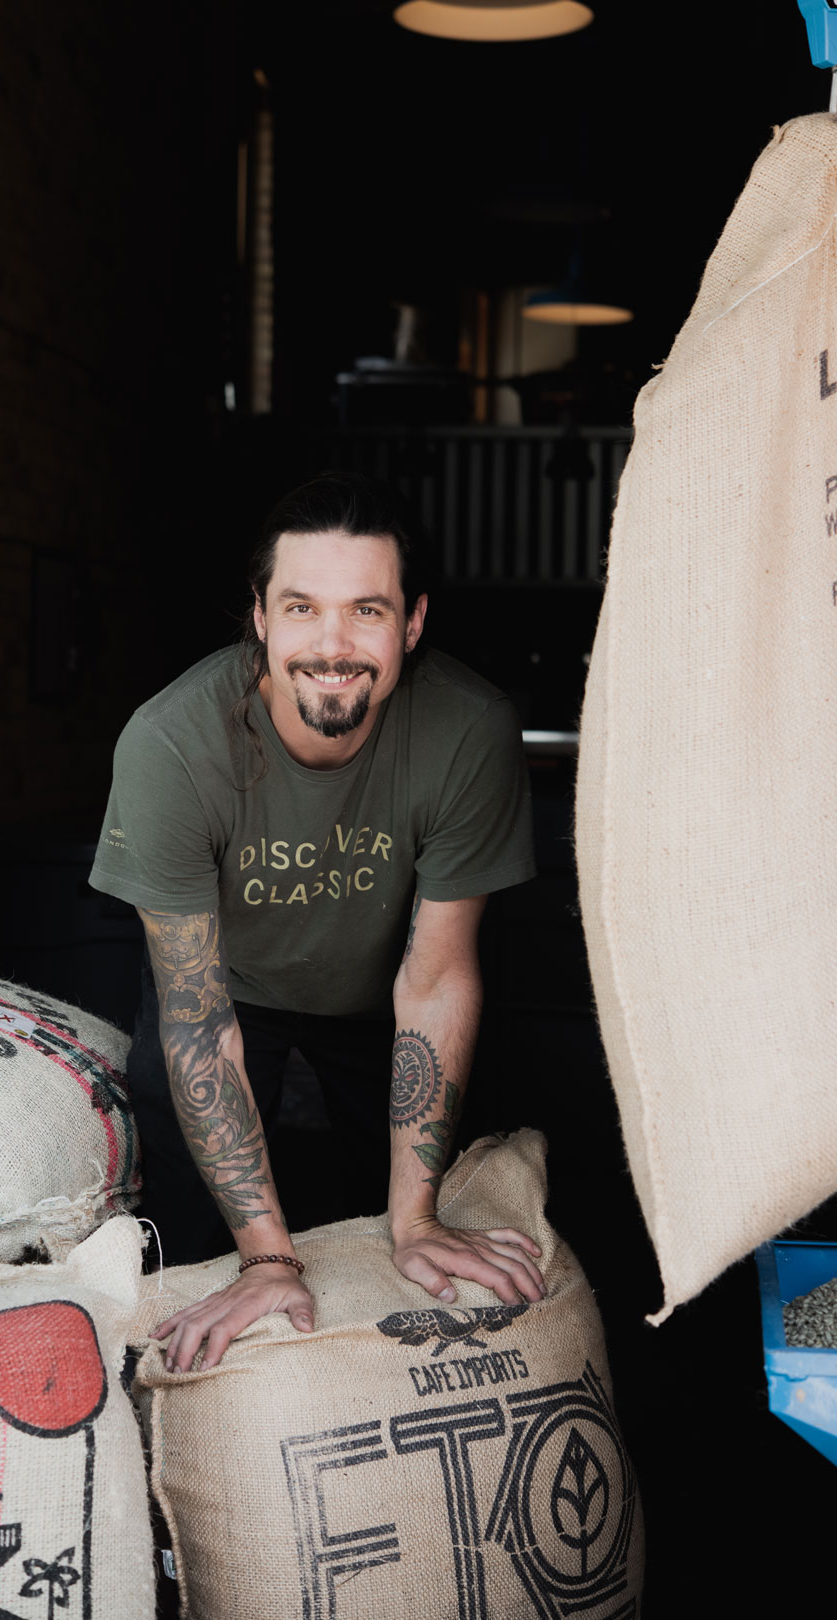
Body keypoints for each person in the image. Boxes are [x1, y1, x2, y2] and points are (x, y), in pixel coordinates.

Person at [89, 471, 544, 1373]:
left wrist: (414, 1220)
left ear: (412, 623)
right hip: (227, 991)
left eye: (366, 612)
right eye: (302, 608)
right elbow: (195, 1012)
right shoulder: (171, 743)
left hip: (383, 992)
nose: (332, 646)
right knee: (194, 1222)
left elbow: (438, 975)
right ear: (259, 616)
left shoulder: (468, 730)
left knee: (390, 1224)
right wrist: (264, 1254)